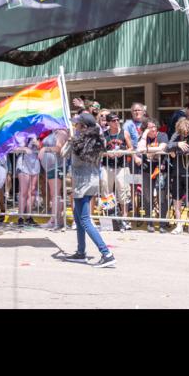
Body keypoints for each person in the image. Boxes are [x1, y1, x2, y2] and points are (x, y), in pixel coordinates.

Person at [63, 113, 116, 268]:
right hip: (91, 182)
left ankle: (106, 253)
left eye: (77, 124)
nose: (75, 126)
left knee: (85, 219)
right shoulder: (97, 141)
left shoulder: (78, 143)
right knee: (78, 217)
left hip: (82, 184)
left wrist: (69, 140)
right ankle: (81, 252)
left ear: (84, 127)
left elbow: (63, 153)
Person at [167, 117, 189, 235]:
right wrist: (178, 143)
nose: (185, 134)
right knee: (176, 200)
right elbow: (168, 147)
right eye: (182, 132)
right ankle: (179, 225)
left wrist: (177, 151)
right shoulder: (177, 134)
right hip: (178, 173)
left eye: (186, 131)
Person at [136, 118, 169, 233]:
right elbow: (139, 149)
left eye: (154, 126)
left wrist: (146, 149)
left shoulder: (163, 135)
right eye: (150, 127)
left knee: (162, 197)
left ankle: (162, 224)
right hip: (146, 170)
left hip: (161, 170)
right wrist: (144, 135)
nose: (153, 129)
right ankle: (150, 223)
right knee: (147, 197)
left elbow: (162, 148)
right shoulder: (143, 137)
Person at [101, 113, 133, 228]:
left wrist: (122, 152)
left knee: (124, 190)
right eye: (113, 121)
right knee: (106, 190)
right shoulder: (104, 135)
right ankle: (110, 217)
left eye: (117, 120)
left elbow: (131, 148)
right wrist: (108, 154)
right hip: (107, 165)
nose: (116, 122)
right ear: (108, 123)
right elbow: (100, 150)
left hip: (122, 166)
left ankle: (124, 218)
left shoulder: (124, 133)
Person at [39, 128, 69, 229]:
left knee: (55, 194)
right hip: (51, 167)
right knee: (55, 194)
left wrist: (45, 149)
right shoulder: (54, 132)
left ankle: (53, 220)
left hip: (56, 166)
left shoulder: (61, 132)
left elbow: (59, 148)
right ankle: (58, 220)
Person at [15, 136, 41, 226]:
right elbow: (13, 148)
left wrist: (37, 144)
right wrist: (23, 148)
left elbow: (40, 148)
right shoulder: (21, 134)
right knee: (24, 192)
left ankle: (29, 216)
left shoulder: (37, 135)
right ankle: (20, 217)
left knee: (32, 191)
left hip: (35, 164)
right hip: (23, 164)